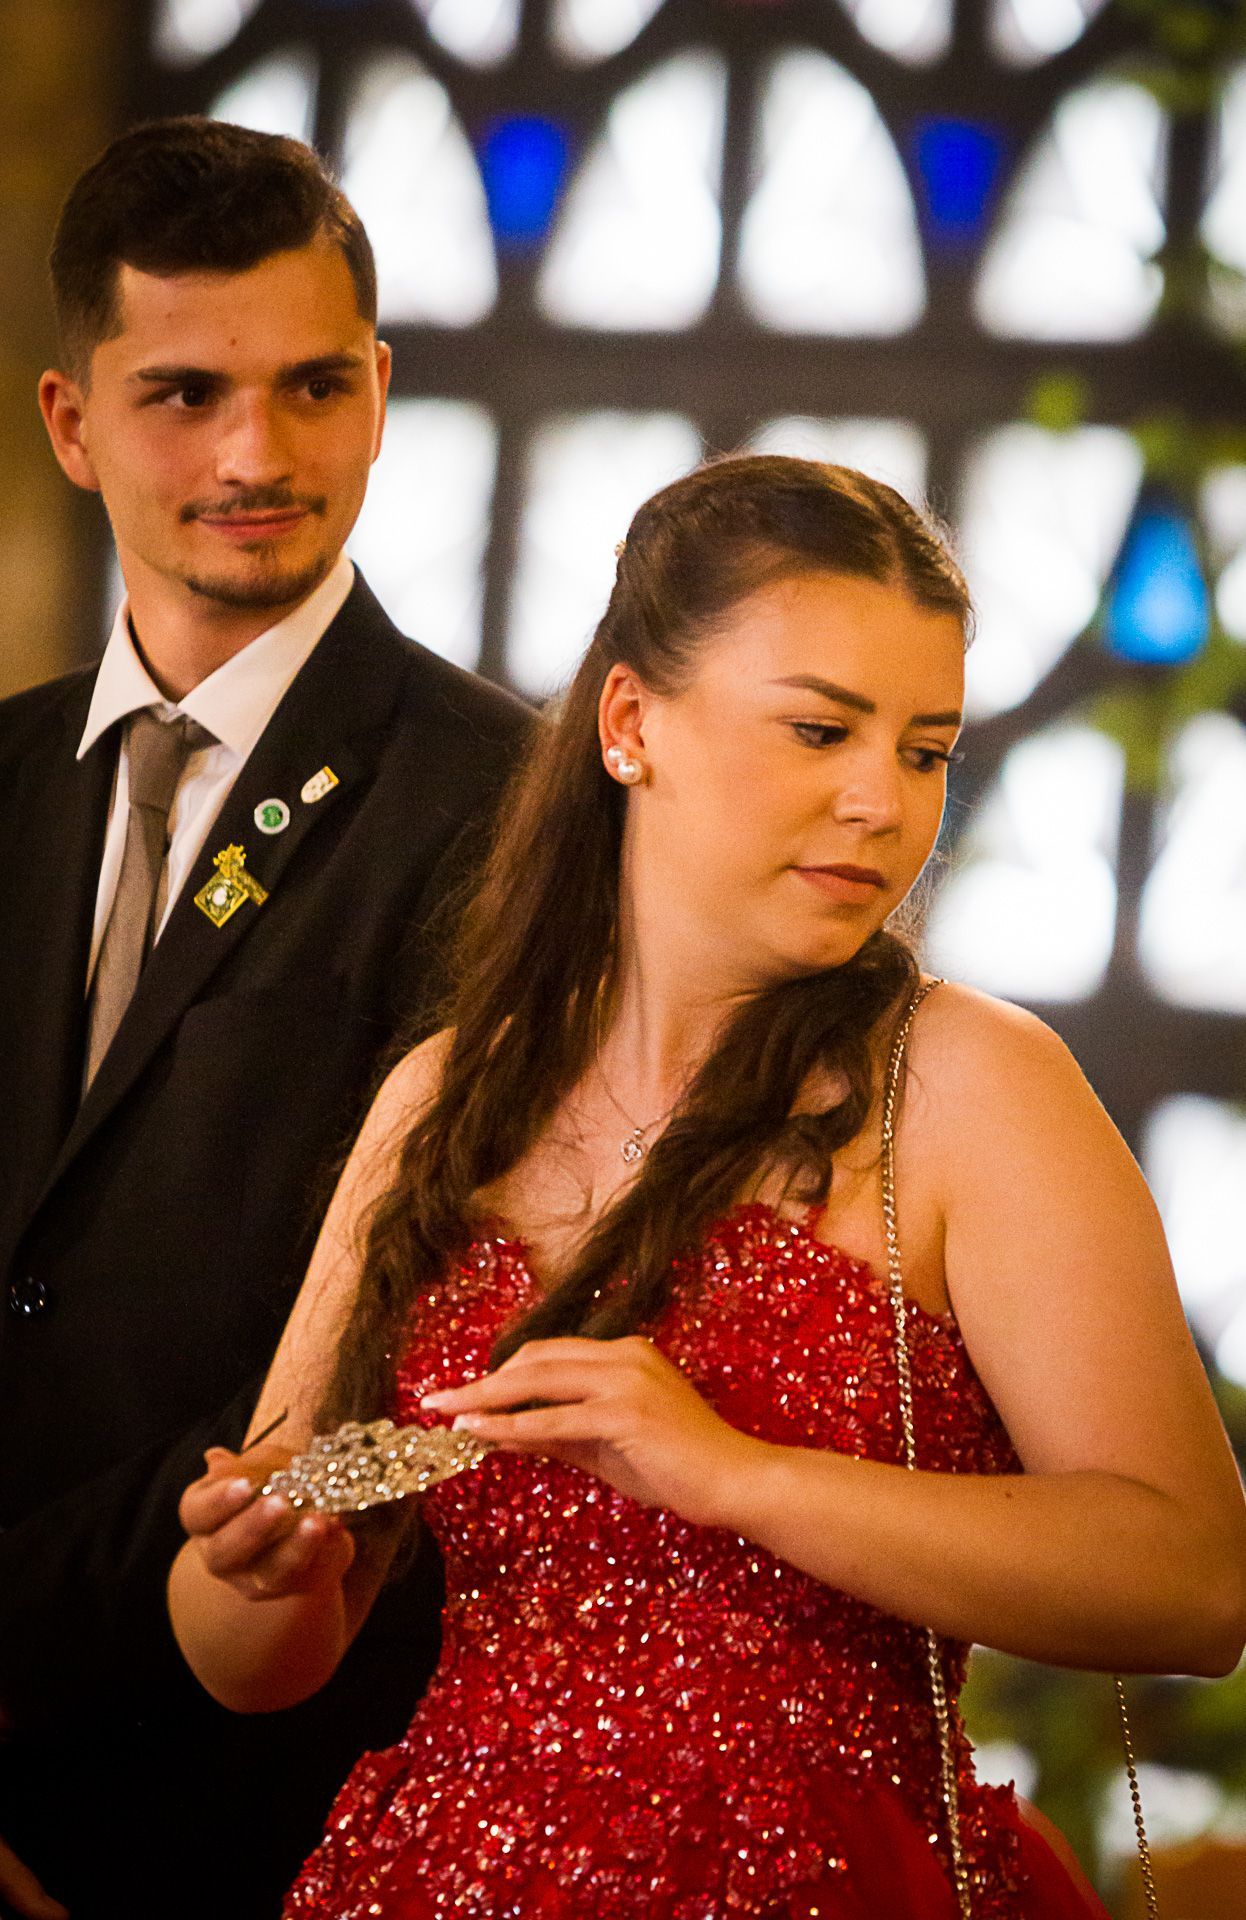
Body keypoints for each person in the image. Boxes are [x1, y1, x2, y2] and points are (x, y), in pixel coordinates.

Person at [173, 456, 1246, 1919]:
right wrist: (254, 1572)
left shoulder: (967, 1085)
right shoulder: (445, 1097)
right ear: (630, 723)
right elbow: (251, 1665)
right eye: (820, 730)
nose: (880, 801)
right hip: (441, 1869)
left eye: (924, 751)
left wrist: (732, 1474)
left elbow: (1195, 1583)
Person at [0, 118, 531, 1920]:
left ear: (380, 393)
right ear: (72, 422)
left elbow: (422, 1338)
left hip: (253, 1790)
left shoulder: (514, 816)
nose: (256, 455)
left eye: (313, 387)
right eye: (182, 395)